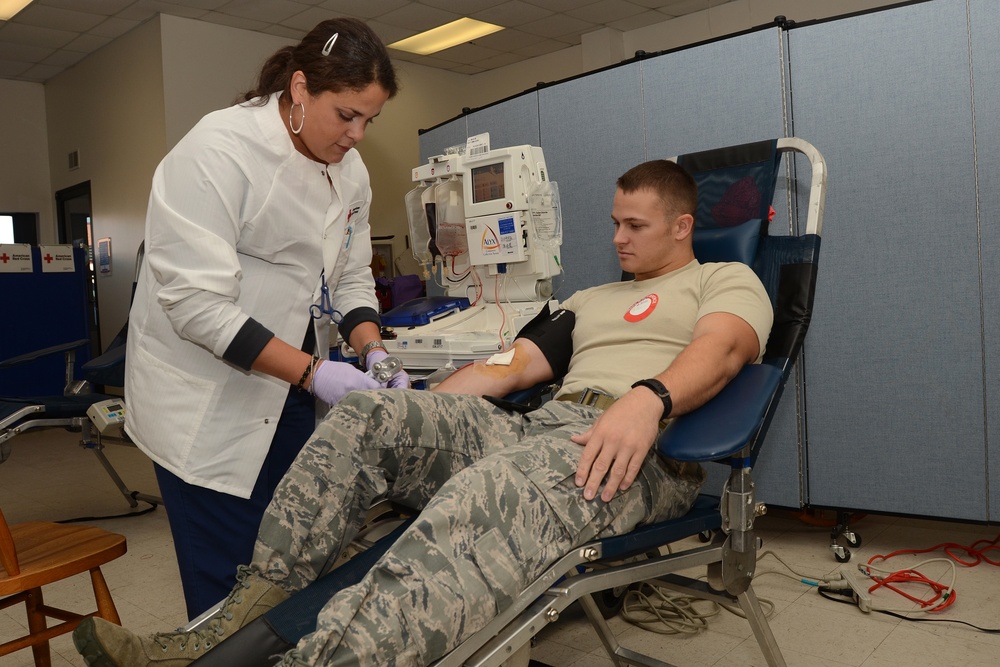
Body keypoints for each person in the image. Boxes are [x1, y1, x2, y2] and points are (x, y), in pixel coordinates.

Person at [77, 159, 772, 666]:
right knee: (366, 419)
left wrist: (647, 401)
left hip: (638, 449)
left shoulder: (724, 279)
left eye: (635, 225)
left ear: (682, 225)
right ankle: (233, 627)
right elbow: (511, 369)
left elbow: (723, 349)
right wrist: (412, 414)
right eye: (615, 223)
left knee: (480, 494)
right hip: (546, 427)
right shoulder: (589, 299)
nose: (618, 237)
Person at [123, 18, 409, 620]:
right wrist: (314, 373)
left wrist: (372, 349)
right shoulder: (218, 150)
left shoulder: (350, 171)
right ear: (300, 88)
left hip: (289, 394)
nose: (357, 135)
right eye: (346, 115)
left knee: (290, 563)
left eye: (370, 120)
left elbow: (351, 276)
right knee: (228, 590)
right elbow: (197, 306)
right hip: (205, 405)